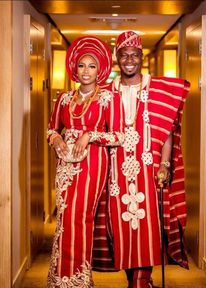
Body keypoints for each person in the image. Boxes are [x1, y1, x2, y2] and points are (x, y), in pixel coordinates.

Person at [103, 31, 190, 288]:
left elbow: (167, 132)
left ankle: (142, 281)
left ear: (142, 58)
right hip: (116, 173)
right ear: (117, 58)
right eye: (124, 55)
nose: (129, 60)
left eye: (134, 55)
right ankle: (133, 280)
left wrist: (164, 165)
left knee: (148, 230)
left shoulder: (159, 89)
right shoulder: (107, 92)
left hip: (149, 171)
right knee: (121, 230)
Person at [46, 36, 124, 288]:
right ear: (74, 68)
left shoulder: (108, 99)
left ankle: (78, 279)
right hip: (65, 164)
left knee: (81, 216)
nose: (86, 71)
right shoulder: (64, 99)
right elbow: (50, 130)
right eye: (82, 65)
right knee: (64, 216)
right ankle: (60, 278)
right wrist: (57, 139)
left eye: (92, 66)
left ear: (100, 69)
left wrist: (90, 135)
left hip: (93, 163)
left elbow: (119, 135)